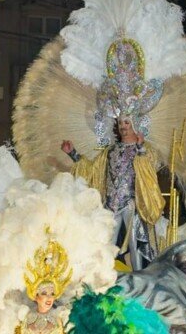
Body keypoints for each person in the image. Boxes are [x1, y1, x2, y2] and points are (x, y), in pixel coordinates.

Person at [61, 114, 164, 271]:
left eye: (127, 122)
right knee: (105, 245)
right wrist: (73, 153)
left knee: (136, 244)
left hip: (132, 205)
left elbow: (150, 172)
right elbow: (93, 171)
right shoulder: (110, 151)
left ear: (134, 124)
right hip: (110, 206)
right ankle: (105, 280)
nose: (123, 126)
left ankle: (140, 278)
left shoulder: (145, 149)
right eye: (120, 122)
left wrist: (141, 148)